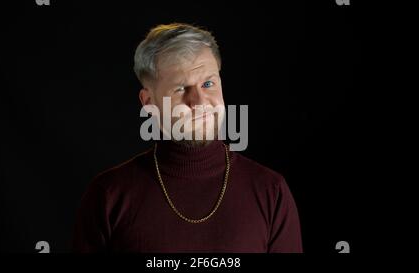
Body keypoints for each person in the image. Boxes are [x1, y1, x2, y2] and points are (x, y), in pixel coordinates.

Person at [72, 23, 303, 253]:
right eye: (181, 89)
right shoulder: (108, 196)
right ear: (149, 104)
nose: (200, 102)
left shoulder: (271, 191)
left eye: (208, 84)